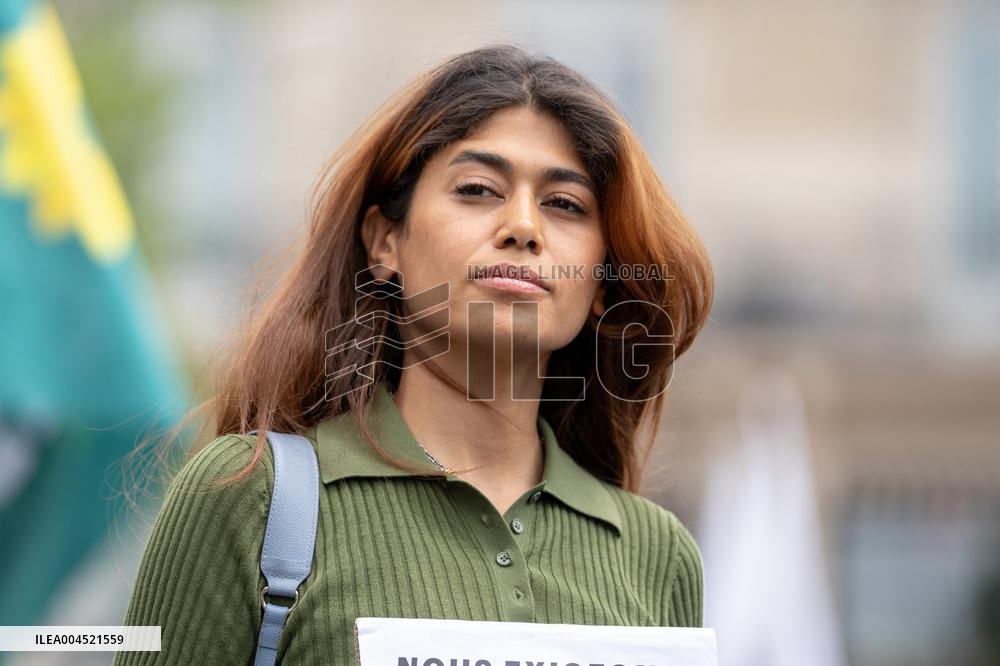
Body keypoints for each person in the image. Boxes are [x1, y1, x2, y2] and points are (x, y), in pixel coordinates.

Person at [115, 42, 715, 665]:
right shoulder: (248, 497)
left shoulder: (659, 554)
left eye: (565, 204)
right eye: (479, 189)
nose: (524, 226)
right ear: (384, 243)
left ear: (602, 283)